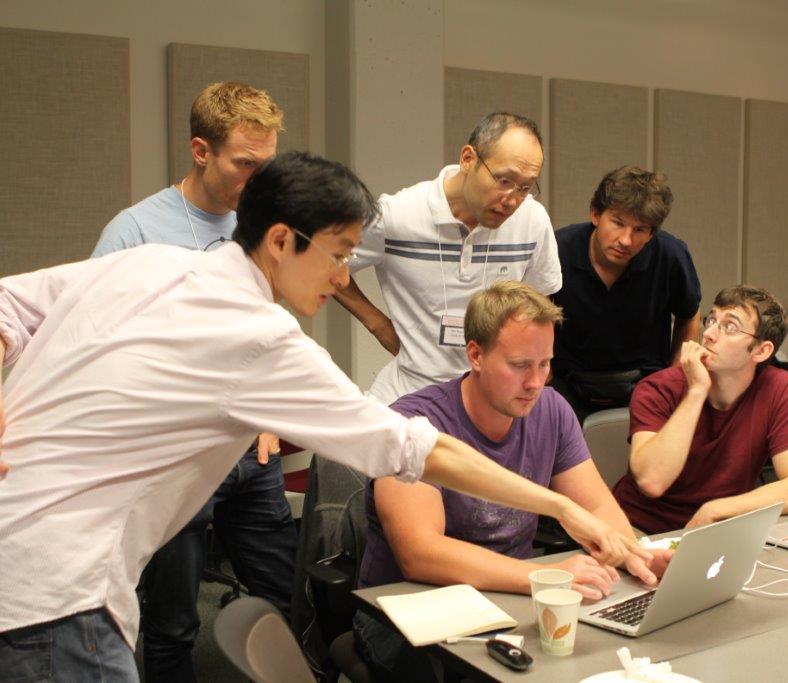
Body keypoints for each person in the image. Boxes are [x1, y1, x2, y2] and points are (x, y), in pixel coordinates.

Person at [0, 152, 644, 682]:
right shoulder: (259, 337)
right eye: (338, 254)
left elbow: (9, 303)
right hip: (60, 592)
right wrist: (560, 507)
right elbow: (415, 450)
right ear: (282, 240)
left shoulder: (152, 263)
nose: (341, 278)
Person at [353, 281, 673, 682]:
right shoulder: (414, 424)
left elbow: (595, 507)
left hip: (508, 605)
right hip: (406, 618)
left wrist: (635, 555)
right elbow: (421, 553)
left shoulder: (551, 411)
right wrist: (544, 578)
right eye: (520, 365)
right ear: (476, 355)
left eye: (544, 364)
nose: (535, 383)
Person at [92, 82, 292, 682]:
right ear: (201, 151)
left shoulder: (264, 227)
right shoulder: (134, 231)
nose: (258, 179)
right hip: (176, 458)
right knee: (174, 622)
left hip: (251, 451)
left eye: (267, 164)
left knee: (285, 602)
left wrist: (267, 412)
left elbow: (264, 333)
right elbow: (100, 344)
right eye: (245, 163)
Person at [334, 112, 561, 405]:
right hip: (410, 391)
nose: (512, 199)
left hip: (491, 396)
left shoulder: (532, 220)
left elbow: (540, 303)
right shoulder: (398, 215)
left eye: (525, 187)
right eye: (504, 180)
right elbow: (327, 262)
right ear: (468, 159)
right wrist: (379, 325)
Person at [612, 285, 788, 534]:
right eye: (711, 320)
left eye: (729, 326)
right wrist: (696, 391)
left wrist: (717, 510)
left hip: (719, 526)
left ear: (761, 351)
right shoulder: (657, 388)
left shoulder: (779, 388)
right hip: (641, 529)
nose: (709, 334)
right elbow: (652, 482)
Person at [550, 166, 701, 421]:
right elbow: (534, 314)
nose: (626, 240)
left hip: (647, 382)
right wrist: (545, 375)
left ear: (651, 233)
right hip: (567, 383)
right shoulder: (558, 249)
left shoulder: (670, 255)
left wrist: (676, 377)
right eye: (618, 223)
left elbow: (689, 314)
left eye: (640, 230)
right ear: (595, 214)